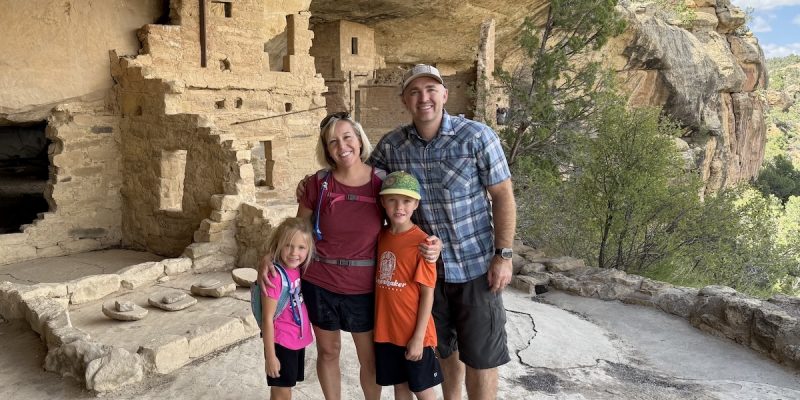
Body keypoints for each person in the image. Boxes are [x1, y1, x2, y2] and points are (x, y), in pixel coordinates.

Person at [260, 112, 441, 400]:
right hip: (320, 282)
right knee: (329, 351)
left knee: (368, 358)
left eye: (347, 137)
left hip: (363, 287)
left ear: (359, 140)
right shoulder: (318, 184)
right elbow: (297, 232)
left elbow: (402, 217)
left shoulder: (380, 183)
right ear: (326, 150)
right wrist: (270, 256)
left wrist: (433, 243)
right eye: (333, 142)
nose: (342, 145)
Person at [368, 64, 517, 400]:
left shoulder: (477, 136)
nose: (424, 98)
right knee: (442, 351)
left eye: (431, 90)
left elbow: (503, 194)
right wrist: (320, 183)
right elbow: (364, 182)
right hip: (426, 274)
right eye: (415, 92)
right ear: (404, 100)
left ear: (445, 95)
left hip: (475, 269)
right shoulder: (393, 147)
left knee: (481, 357)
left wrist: (503, 255)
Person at [373, 171, 442, 400]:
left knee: (422, 390)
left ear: (416, 204)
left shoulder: (423, 243)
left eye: (406, 200)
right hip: (387, 331)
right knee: (399, 387)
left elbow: (427, 294)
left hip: (414, 333)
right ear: (383, 202)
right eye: (392, 200)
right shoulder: (381, 236)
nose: (399, 207)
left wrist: (418, 338)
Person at [260, 217, 315, 400]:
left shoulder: (297, 269)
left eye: (301, 248)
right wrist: (270, 356)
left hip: (294, 340)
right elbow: (267, 319)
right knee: (282, 392)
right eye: (288, 246)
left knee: (284, 388)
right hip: (281, 342)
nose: (294, 253)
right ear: (278, 245)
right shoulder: (275, 276)